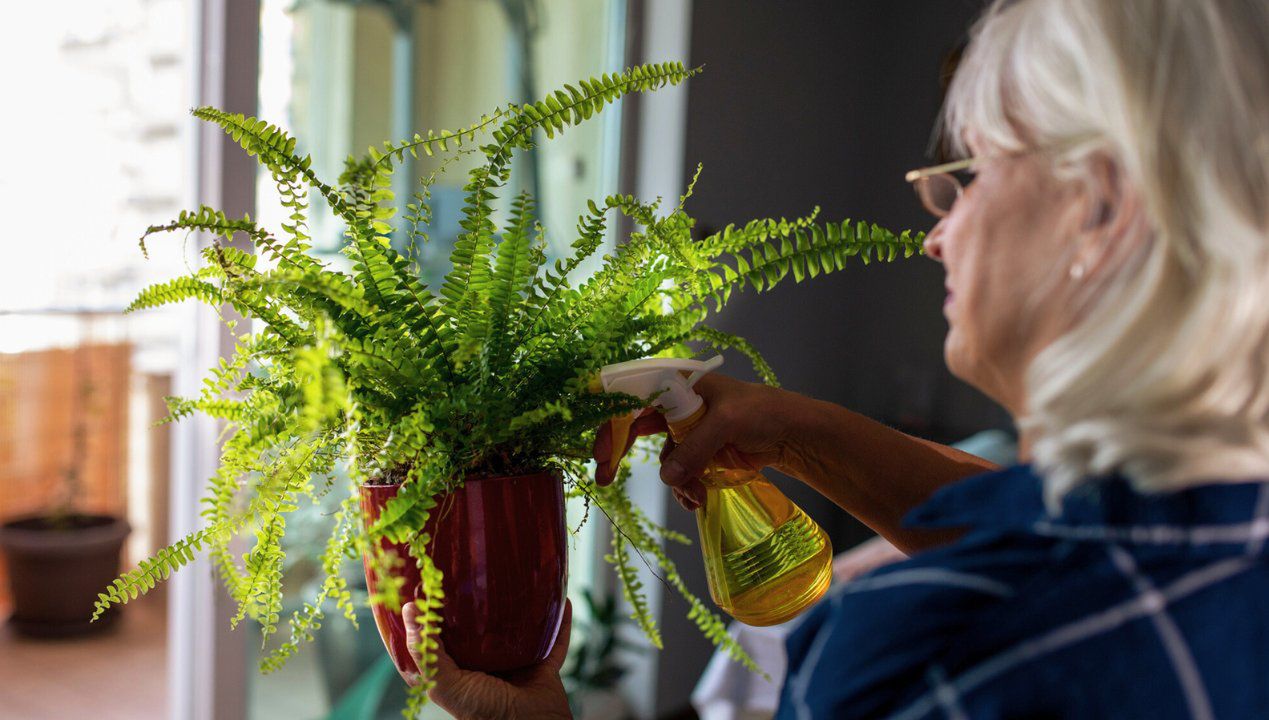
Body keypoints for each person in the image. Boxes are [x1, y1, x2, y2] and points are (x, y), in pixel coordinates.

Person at [407, 0, 1269, 716]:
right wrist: (798, 433)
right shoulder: (1232, 531)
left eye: (966, 177)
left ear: (1099, 207)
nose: (937, 233)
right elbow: (1051, 525)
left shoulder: (929, 652)